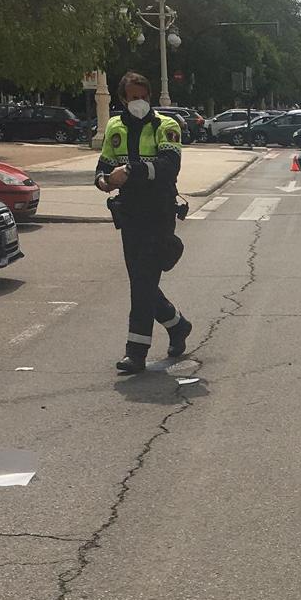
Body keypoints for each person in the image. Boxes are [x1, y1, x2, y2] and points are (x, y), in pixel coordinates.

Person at [95, 71, 191, 374]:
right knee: (142, 281)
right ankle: (178, 325)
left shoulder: (167, 125)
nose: (139, 102)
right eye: (132, 97)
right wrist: (105, 181)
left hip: (159, 213)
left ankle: (135, 352)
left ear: (150, 97)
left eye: (143, 96)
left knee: (142, 282)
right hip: (130, 214)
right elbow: (103, 166)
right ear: (123, 99)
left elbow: (169, 167)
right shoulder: (114, 126)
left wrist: (131, 171)